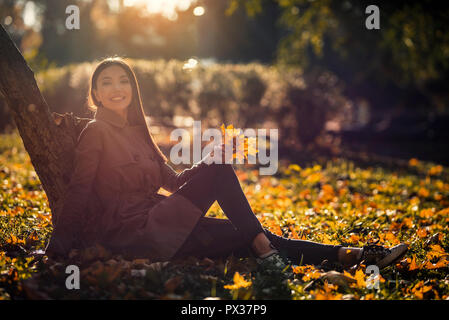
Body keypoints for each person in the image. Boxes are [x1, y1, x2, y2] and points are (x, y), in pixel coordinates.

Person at [45, 57, 408, 270]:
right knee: (248, 225)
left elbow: (175, 183)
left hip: (165, 223)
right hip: (133, 234)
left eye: (123, 80)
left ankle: (353, 255)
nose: (115, 87)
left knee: (249, 236)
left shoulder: (141, 134)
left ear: (132, 89)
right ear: (94, 94)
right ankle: (269, 251)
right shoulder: (95, 133)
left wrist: (211, 157)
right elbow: (79, 189)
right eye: (105, 82)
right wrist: (58, 247)